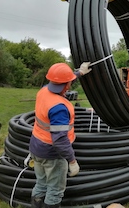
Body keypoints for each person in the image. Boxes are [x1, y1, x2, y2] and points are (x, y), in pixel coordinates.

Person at [29, 62, 92, 208]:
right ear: (68, 85)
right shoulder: (59, 108)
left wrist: (79, 73)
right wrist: (72, 160)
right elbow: (59, 139)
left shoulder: (44, 91)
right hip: (52, 154)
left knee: (41, 184)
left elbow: (61, 80)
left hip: (36, 148)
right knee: (55, 190)